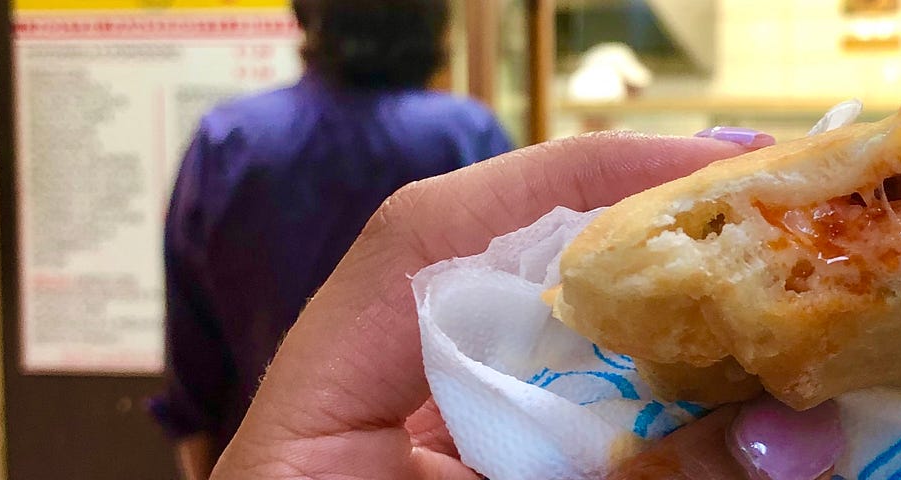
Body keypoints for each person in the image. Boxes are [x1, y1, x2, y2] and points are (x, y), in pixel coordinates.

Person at [205, 128, 848, 479]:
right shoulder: (464, 127)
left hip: (300, 410)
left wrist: (201, 437)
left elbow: (193, 316)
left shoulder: (228, 136)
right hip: (430, 421)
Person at [149, 0, 513, 477]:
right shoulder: (469, 139)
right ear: (437, 25)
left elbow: (193, 355)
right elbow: (513, 343)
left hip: (269, 462)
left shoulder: (229, 140)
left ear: (305, 16)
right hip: (437, 465)